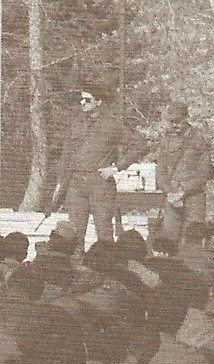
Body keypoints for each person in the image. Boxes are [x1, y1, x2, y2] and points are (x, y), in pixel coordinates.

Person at [52, 86, 145, 245]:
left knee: (104, 234)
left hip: (100, 184)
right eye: (81, 99)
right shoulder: (76, 124)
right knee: (73, 234)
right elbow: (66, 155)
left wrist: (116, 168)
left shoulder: (112, 124)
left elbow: (139, 144)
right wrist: (61, 182)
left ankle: (106, 268)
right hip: (75, 184)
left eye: (87, 100)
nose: (82, 103)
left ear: (99, 102)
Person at [155, 102, 214, 248]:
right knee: (168, 239)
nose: (175, 125)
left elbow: (203, 174)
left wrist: (182, 193)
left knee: (192, 239)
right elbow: (160, 170)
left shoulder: (199, 140)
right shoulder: (166, 140)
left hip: (193, 197)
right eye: (171, 122)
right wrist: (169, 192)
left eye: (178, 121)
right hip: (172, 196)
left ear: (186, 118)